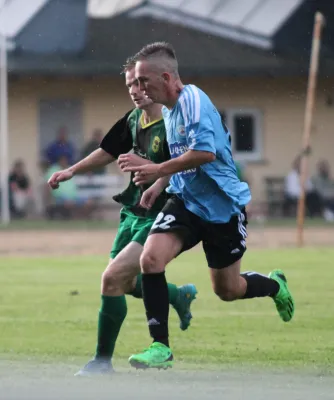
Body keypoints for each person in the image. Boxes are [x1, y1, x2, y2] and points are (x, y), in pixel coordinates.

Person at [124, 42, 295, 370]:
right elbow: (180, 155)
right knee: (151, 259)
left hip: (223, 209)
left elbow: (205, 153)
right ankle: (160, 347)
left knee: (228, 290)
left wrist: (157, 170)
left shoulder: (193, 102)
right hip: (186, 202)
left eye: (144, 81)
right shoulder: (171, 110)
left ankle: (275, 285)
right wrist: (161, 183)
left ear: (166, 77)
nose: (139, 88)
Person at [47, 58, 197, 375]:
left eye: (141, 82)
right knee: (126, 283)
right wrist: (71, 170)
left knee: (111, 278)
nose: (135, 90)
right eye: (130, 84)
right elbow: (107, 151)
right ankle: (178, 296)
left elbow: (185, 163)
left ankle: (101, 362)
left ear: (157, 82)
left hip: (163, 215)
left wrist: (155, 178)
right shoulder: (132, 120)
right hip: (132, 212)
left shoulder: (175, 122)